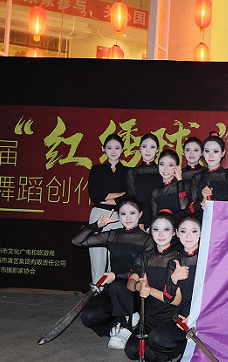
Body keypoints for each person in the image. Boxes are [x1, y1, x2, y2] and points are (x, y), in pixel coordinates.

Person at [70, 195, 154, 349]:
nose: (128, 218)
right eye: (123, 214)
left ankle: (126, 325)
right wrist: (97, 225)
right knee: (89, 317)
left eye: (132, 213)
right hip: (113, 288)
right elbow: (77, 241)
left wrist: (117, 276)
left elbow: (146, 270)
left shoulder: (148, 240)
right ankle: (116, 328)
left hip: (135, 290)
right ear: (118, 216)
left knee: (118, 285)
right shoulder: (113, 235)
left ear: (140, 214)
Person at [125, 213, 202, 362]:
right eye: (156, 229)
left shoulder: (177, 258)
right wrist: (139, 286)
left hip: (173, 316)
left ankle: (179, 346)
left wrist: (150, 290)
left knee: (154, 347)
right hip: (151, 317)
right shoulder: (144, 256)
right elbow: (131, 281)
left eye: (166, 229)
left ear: (173, 233)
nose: (161, 234)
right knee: (132, 351)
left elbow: (175, 300)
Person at [86, 134, 129, 284]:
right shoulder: (97, 170)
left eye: (117, 148)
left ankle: (114, 294)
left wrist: (105, 198)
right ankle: (97, 292)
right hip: (98, 215)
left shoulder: (128, 172)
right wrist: (118, 196)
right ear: (104, 149)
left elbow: (128, 196)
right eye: (109, 148)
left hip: (119, 216)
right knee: (97, 256)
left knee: (116, 257)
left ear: (122, 150)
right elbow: (94, 195)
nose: (113, 151)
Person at [126, 133, 164, 229]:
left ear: (157, 149)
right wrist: (139, 222)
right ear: (139, 148)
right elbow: (131, 199)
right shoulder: (132, 172)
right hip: (140, 216)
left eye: (152, 147)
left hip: (161, 215)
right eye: (144, 146)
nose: (148, 150)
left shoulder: (163, 170)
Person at [189, 133, 228, 211]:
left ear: (223, 153)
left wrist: (214, 204)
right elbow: (191, 209)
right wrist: (203, 200)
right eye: (207, 151)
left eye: (215, 151)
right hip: (202, 218)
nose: (211, 155)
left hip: (224, 218)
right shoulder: (197, 177)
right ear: (203, 153)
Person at [150, 149, 188, 218]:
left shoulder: (184, 186)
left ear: (177, 167)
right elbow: (154, 218)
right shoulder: (156, 192)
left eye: (170, 165)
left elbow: (183, 206)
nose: (165, 169)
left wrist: (180, 180)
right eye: (162, 164)